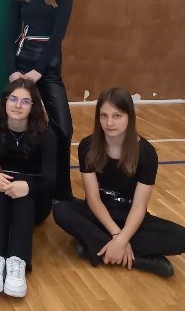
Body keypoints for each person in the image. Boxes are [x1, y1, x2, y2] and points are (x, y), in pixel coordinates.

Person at [53, 87, 185, 277]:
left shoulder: (146, 153)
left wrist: (123, 238)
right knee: (62, 210)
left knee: (180, 237)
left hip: (129, 215)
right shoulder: (87, 146)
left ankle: (92, 246)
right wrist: (116, 235)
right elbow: (93, 197)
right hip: (100, 214)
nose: (109, 122)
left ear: (129, 116)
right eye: (104, 115)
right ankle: (137, 259)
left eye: (117, 116)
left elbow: (139, 206)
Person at [7, 0, 73, 201]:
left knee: (63, 129)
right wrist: (12, 70)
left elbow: (58, 35)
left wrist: (40, 71)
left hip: (47, 66)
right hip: (21, 65)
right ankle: (23, 181)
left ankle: (60, 192)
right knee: (18, 124)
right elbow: (10, 33)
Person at [0, 79, 56, 297]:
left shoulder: (46, 135)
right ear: (5, 101)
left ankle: (17, 261)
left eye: (25, 101)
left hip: (34, 205)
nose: (18, 105)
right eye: (13, 99)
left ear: (33, 106)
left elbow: (51, 183)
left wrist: (28, 187)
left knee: (22, 181)